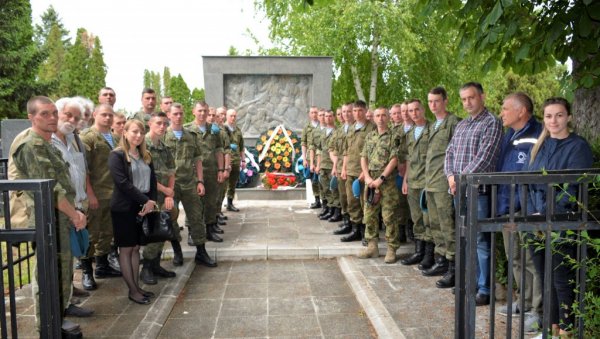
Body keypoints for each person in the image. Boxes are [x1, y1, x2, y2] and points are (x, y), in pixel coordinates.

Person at [11, 96, 88, 336]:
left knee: (63, 270)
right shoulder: (32, 145)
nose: (52, 117)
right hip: (46, 218)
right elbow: (51, 190)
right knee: (48, 273)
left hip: (61, 216)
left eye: (54, 112)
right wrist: (74, 214)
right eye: (44, 113)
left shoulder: (47, 143)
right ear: (31, 117)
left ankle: (58, 316)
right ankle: (46, 326)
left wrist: (75, 211)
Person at [524, 97, 593, 338]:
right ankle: (550, 330)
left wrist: (547, 215)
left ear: (569, 117)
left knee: (562, 281)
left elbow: (572, 190)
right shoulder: (539, 146)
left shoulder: (578, 146)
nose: (554, 120)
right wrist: (533, 214)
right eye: (549, 116)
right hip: (535, 222)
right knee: (545, 279)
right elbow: (529, 184)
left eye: (559, 115)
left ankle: (566, 331)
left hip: (562, 221)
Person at [445, 82, 503, 306]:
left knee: (480, 239)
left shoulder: (492, 123)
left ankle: (485, 289)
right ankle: (470, 283)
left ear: (482, 97)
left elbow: (485, 157)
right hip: (458, 190)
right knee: (466, 238)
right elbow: (449, 153)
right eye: (464, 99)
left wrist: (460, 179)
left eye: (471, 98)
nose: (467, 103)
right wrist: (451, 176)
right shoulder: (462, 126)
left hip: (479, 191)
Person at [496, 93, 543, 332]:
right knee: (515, 257)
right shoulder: (509, 135)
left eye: (505, 108)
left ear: (522, 111)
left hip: (527, 209)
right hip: (507, 208)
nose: (502, 113)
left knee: (534, 261)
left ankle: (538, 311)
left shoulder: (539, 134)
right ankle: (523, 302)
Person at [52, 97, 95, 316]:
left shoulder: (73, 139)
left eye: (76, 118)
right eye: (68, 115)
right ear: (56, 112)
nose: (72, 120)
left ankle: (66, 301)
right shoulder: (47, 141)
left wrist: (83, 202)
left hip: (76, 205)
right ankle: (60, 308)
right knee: (59, 261)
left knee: (69, 258)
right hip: (59, 209)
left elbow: (80, 171)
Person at [108, 119, 157, 305]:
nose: (138, 135)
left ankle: (137, 287)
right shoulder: (117, 155)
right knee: (126, 249)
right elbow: (123, 184)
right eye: (134, 131)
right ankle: (132, 291)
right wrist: (146, 201)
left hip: (143, 207)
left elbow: (153, 180)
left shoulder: (145, 155)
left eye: (141, 132)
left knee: (136, 248)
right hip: (124, 208)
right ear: (125, 133)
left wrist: (151, 201)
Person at [164, 103, 216, 267]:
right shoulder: (164, 136)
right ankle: (177, 252)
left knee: (196, 217)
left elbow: (197, 160)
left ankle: (201, 252)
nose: (178, 116)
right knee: (171, 219)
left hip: (189, 183)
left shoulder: (190, 136)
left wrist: (200, 181)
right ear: (169, 116)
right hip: (170, 186)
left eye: (180, 113)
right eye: (175, 114)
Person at [422, 87, 461, 287]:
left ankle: (454, 267)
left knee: (447, 225)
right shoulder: (432, 125)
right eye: (430, 101)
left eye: (436, 101)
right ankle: (441, 261)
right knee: (435, 224)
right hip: (430, 182)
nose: (433, 105)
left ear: (445, 101)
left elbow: (456, 154)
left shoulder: (454, 123)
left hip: (444, 183)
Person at [80, 104, 122, 291]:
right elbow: (84, 169)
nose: (107, 118)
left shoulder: (115, 137)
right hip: (96, 193)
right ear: (95, 115)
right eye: (103, 114)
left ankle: (103, 266)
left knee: (108, 232)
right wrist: (90, 193)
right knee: (91, 234)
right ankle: (87, 271)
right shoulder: (88, 137)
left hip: (113, 193)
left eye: (110, 115)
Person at [357, 107, 401, 263]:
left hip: (387, 182)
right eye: (378, 116)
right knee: (369, 214)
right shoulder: (370, 136)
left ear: (388, 118)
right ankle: (372, 247)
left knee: (389, 216)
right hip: (371, 181)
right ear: (374, 118)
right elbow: (363, 157)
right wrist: (368, 178)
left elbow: (394, 159)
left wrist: (381, 178)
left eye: (383, 115)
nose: (381, 118)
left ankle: (391, 248)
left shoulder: (394, 136)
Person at [140, 112, 178, 285]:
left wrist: (170, 192)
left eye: (164, 123)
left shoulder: (164, 147)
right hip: (149, 195)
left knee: (164, 227)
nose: (162, 126)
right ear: (150, 124)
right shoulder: (142, 145)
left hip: (164, 194)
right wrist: (165, 190)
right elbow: (145, 174)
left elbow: (172, 170)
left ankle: (155, 264)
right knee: (154, 230)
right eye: (158, 123)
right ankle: (146, 267)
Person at [186, 101, 225, 242]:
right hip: (194, 173)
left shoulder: (214, 130)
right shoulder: (187, 130)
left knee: (211, 202)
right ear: (193, 112)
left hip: (211, 171)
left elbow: (219, 150)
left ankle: (209, 230)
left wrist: (221, 169)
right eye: (200, 110)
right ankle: (192, 232)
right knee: (194, 203)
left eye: (205, 111)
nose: (202, 114)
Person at [400, 99, 431, 267]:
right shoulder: (410, 133)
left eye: (416, 110)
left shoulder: (432, 129)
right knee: (417, 219)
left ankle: (429, 255)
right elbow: (409, 160)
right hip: (413, 182)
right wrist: (405, 180)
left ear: (422, 109)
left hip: (428, 182)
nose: (414, 113)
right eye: (411, 111)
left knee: (428, 220)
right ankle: (418, 252)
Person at [340, 100, 376, 244]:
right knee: (352, 202)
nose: (357, 113)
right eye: (354, 111)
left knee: (365, 203)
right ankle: (356, 230)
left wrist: (364, 173)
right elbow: (347, 151)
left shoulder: (371, 128)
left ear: (365, 111)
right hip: (350, 171)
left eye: (360, 110)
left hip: (365, 174)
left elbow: (373, 153)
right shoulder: (351, 128)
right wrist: (343, 168)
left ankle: (367, 234)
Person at [390, 102, 413, 242]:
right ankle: (402, 231)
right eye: (401, 111)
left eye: (405, 111)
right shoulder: (396, 131)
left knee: (411, 204)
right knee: (399, 202)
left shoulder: (418, 128)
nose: (403, 114)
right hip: (397, 171)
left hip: (414, 171)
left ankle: (411, 230)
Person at [331, 104, 354, 234]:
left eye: (348, 111)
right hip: (340, 167)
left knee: (353, 199)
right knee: (343, 196)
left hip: (353, 168)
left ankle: (354, 224)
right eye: (343, 111)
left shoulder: (356, 128)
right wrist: (335, 166)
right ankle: (347, 222)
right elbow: (334, 149)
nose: (345, 114)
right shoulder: (340, 130)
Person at [317, 110, 341, 221]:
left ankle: (336, 211)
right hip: (323, 164)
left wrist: (336, 166)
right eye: (326, 116)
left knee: (334, 190)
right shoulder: (322, 132)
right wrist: (318, 164)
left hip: (333, 165)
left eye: (330, 116)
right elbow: (319, 150)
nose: (328, 118)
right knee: (325, 188)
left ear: (334, 117)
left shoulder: (337, 131)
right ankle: (329, 209)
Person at [224, 108, 245, 212]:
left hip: (236, 160)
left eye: (234, 116)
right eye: (231, 116)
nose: (233, 118)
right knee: (223, 185)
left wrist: (243, 160)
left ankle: (230, 203)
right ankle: (218, 208)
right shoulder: (223, 129)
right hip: (226, 161)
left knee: (233, 183)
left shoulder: (237, 130)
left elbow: (241, 146)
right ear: (226, 116)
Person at [301, 106, 321, 208]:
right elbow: (304, 143)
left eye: (316, 112)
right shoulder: (306, 127)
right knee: (314, 180)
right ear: (309, 114)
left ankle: (325, 200)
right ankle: (317, 199)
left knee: (322, 179)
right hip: (310, 158)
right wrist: (304, 159)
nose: (314, 115)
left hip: (322, 157)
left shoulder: (322, 126)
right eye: (312, 113)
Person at [215, 106, 231, 223]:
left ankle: (217, 212)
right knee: (214, 195)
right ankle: (214, 216)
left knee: (221, 191)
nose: (222, 117)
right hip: (213, 167)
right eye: (220, 114)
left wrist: (226, 167)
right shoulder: (215, 130)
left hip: (222, 166)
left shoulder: (224, 130)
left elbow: (226, 150)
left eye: (224, 114)